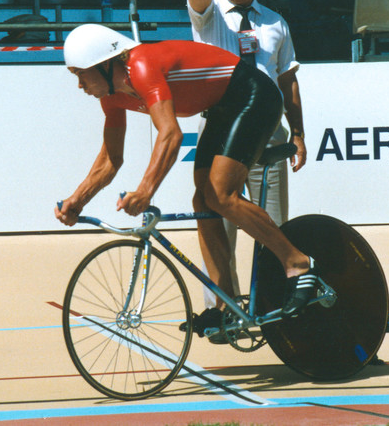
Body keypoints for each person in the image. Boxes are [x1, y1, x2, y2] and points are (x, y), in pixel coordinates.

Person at [55, 24, 319, 341]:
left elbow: (171, 134)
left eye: (81, 74)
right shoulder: (112, 97)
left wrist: (145, 191)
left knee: (221, 195)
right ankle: (224, 304)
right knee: (203, 199)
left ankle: (298, 263)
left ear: (106, 64)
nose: (80, 84)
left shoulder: (141, 65)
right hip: (221, 109)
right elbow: (111, 159)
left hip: (254, 97)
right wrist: (77, 200)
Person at [186, 0, 307, 336]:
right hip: (223, 130)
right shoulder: (208, 14)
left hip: (268, 133)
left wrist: (298, 132)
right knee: (216, 215)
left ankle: (279, 310)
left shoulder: (275, 21)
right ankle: (223, 312)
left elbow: (287, 80)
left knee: (272, 226)